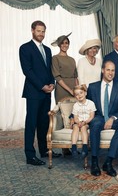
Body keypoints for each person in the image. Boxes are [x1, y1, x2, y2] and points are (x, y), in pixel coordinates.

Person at [19, 20, 61, 166]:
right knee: (31, 123)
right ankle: (30, 155)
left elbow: (50, 70)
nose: (41, 34)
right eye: (38, 31)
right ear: (32, 31)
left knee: (44, 123)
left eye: (43, 31)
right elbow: (27, 71)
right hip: (33, 92)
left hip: (46, 92)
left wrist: (51, 83)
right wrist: (41, 86)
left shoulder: (48, 50)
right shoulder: (25, 48)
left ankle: (44, 150)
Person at [87, 61, 118, 177]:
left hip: (114, 117)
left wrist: (112, 118)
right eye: (108, 70)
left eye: (113, 70)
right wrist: (72, 117)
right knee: (95, 124)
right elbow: (86, 105)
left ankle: (108, 162)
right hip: (99, 117)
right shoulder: (92, 87)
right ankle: (94, 162)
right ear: (102, 70)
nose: (110, 73)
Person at [51, 33, 78, 103]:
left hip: (73, 88)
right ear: (59, 45)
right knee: (62, 111)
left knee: (74, 111)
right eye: (62, 43)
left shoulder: (72, 59)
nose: (64, 45)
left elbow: (75, 77)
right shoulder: (55, 58)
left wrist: (77, 90)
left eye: (66, 43)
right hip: (62, 89)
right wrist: (69, 90)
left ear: (69, 44)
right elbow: (57, 77)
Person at [71, 85, 96, 158]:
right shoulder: (76, 105)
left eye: (81, 93)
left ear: (85, 93)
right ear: (75, 96)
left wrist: (84, 122)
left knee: (83, 128)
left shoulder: (91, 103)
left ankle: (85, 147)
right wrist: (78, 122)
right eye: (77, 94)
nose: (79, 95)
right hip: (78, 122)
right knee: (75, 127)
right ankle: (74, 147)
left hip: (87, 122)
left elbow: (92, 116)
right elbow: (75, 117)